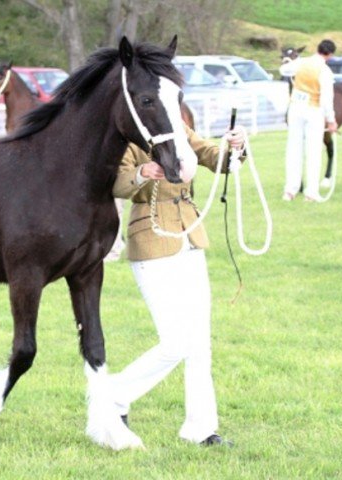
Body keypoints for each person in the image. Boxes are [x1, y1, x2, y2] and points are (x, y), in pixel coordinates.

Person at [110, 123, 246, 447]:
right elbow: (115, 183)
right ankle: (112, 396)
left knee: (199, 343)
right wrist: (144, 171)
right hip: (151, 240)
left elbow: (213, 156)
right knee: (175, 343)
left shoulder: (179, 128)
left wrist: (235, 147)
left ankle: (201, 429)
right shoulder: (127, 136)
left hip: (190, 237)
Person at [279, 39, 338, 201]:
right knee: (313, 151)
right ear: (330, 55)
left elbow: (284, 70)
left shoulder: (301, 63)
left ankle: (290, 190)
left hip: (295, 108)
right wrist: (331, 120)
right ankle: (311, 192)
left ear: (317, 49)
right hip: (313, 110)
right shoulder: (325, 71)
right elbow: (327, 99)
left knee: (293, 149)